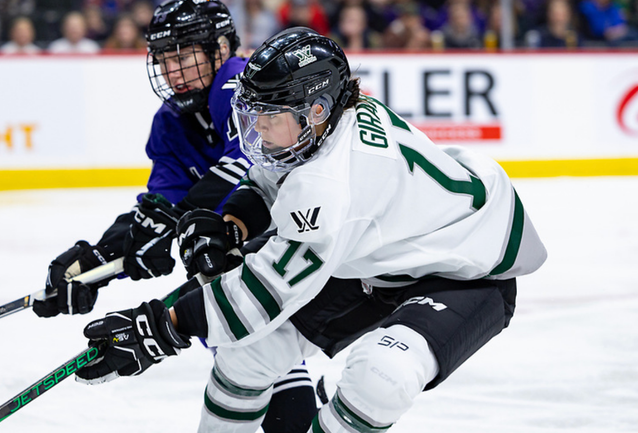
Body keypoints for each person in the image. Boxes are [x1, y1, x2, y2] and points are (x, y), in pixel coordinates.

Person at [74, 27, 548, 432]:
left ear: (316, 110)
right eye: (253, 111)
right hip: (379, 256)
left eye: (268, 114)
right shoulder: (323, 127)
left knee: (380, 378)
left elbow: (262, 293)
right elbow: (270, 176)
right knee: (248, 353)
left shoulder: (332, 183)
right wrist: (231, 224)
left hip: (466, 271)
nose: (256, 127)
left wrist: (160, 328)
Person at [33, 0, 317, 433]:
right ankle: (294, 409)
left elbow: (247, 164)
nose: (172, 70)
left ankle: (295, 412)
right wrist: (98, 261)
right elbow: (161, 209)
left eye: (184, 55)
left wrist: (177, 218)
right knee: (217, 290)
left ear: (221, 48)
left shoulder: (242, 84)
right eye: (165, 58)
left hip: (309, 237)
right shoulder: (169, 123)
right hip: (249, 251)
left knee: (225, 293)